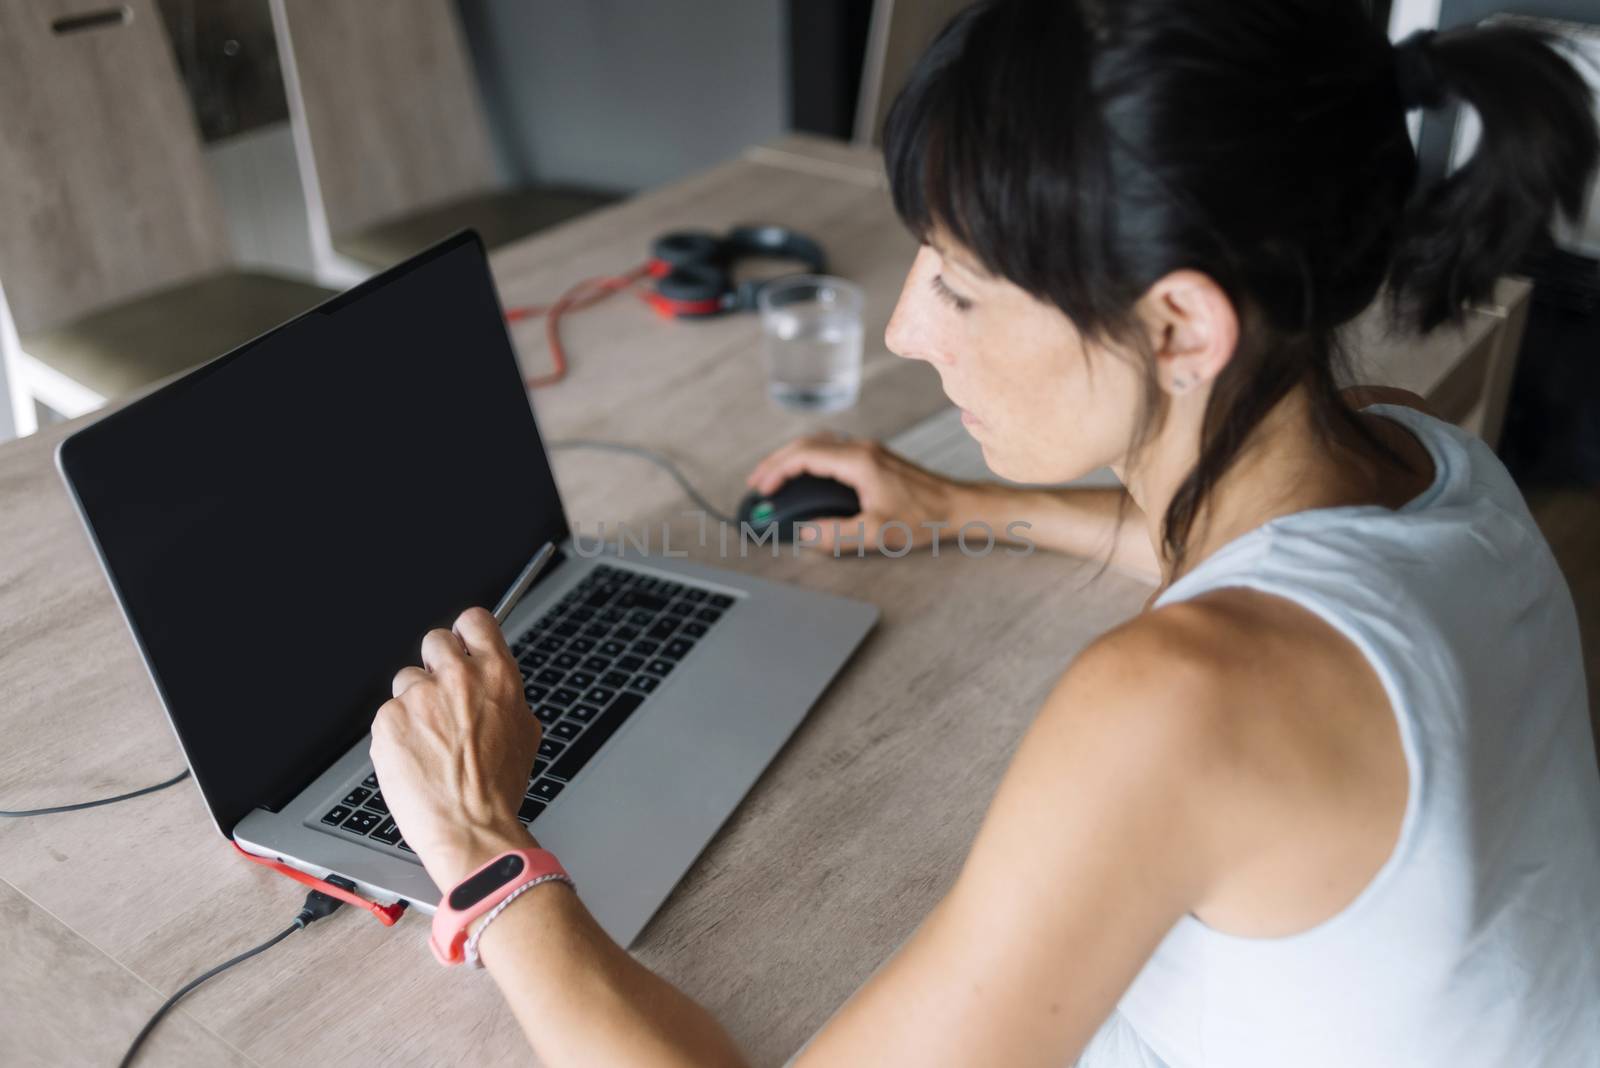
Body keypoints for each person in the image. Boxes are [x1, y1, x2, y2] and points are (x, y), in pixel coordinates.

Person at [369, 2, 1600, 1064]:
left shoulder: (1181, 703)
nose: (908, 329)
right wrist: (957, 505)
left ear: (1179, 326)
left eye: (958, 283)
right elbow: (1218, 557)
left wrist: (485, 853)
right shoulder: (1418, 454)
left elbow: (1215, 662)